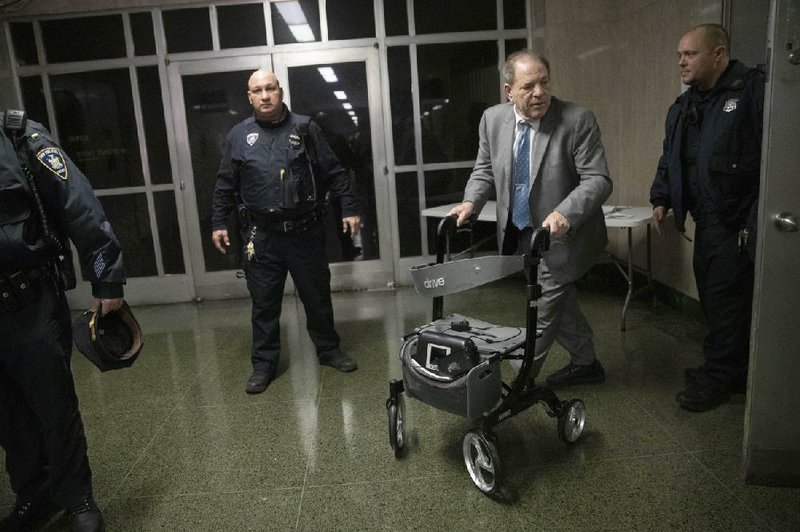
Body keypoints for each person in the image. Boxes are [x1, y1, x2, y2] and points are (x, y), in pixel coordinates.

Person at [448, 50, 613, 386]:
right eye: (528, 86)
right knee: (559, 298)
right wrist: (470, 203)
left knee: (543, 305)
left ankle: (516, 384)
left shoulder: (576, 120)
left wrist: (565, 213)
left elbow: (598, 179)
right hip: (520, 232)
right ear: (508, 91)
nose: (539, 93)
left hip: (563, 236)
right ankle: (586, 362)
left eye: (544, 83)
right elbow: (484, 170)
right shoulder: (492, 120)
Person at [0, 112, 125, 531]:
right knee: (7, 412)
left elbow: (79, 206)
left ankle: (76, 498)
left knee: (53, 404)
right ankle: (32, 492)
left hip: (27, 302)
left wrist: (106, 278)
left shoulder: (20, 137)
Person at [212, 70, 361, 395]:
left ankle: (329, 350)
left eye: (270, 88)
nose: (265, 96)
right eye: (257, 91)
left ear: (280, 92)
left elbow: (336, 173)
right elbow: (225, 184)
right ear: (249, 97)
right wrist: (218, 222)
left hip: (305, 233)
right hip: (262, 237)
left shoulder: (306, 128)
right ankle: (263, 365)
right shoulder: (238, 136)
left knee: (317, 297)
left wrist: (349, 208)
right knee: (264, 304)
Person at [650, 24, 764, 412]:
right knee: (715, 300)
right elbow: (671, 158)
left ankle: (719, 379)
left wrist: (754, 216)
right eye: (679, 55)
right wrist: (662, 198)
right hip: (706, 220)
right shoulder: (686, 105)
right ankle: (727, 370)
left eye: (690, 54)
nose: (681, 61)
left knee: (727, 300)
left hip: (736, 221)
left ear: (719, 55)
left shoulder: (751, 92)